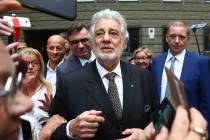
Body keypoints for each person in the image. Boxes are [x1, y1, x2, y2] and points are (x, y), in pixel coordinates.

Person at [49, 9, 155, 139]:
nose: (106, 39)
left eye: (113, 33)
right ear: (92, 43)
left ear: (125, 43)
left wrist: (145, 134)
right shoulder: (69, 82)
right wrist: (70, 129)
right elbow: (52, 130)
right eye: (99, 34)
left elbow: (154, 117)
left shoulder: (143, 77)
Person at [151, 20, 210, 134]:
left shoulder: (201, 63)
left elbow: (206, 103)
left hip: (188, 128)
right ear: (166, 37)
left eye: (182, 37)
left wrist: (204, 133)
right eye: (173, 36)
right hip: (159, 127)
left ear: (188, 39)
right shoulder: (156, 62)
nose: (177, 41)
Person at [19, 48, 53, 138]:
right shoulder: (13, 89)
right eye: (25, 64)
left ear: (41, 66)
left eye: (35, 63)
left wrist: (52, 109)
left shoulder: (50, 88)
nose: (30, 67)